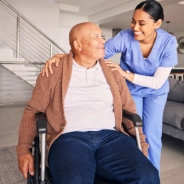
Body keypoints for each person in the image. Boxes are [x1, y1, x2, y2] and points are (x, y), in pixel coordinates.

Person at [41, 0, 178, 171]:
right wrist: (64, 56)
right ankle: (132, 168)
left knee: (152, 134)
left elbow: (157, 82)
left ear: (157, 23)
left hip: (156, 92)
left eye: (142, 23)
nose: (135, 27)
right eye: (133, 21)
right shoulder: (125, 37)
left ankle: (152, 175)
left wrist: (125, 74)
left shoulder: (169, 42)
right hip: (132, 90)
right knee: (134, 131)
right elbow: (92, 51)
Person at [17, 22, 159, 184]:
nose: (102, 41)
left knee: (148, 176)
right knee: (75, 179)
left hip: (111, 137)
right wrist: (23, 149)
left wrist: (141, 144)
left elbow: (129, 110)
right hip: (69, 138)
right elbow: (32, 110)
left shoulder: (113, 72)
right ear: (78, 45)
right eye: (96, 37)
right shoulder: (54, 70)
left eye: (102, 36)